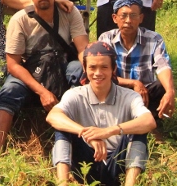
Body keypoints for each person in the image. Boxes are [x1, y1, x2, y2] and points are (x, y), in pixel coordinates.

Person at [0, 0, 89, 153]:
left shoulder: (70, 13)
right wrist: (42, 91)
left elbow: (83, 48)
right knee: (9, 90)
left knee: (79, 70)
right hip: (31, 71)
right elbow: (13, 64)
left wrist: (91, 69)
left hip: (62, 65)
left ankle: (79, 136)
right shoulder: (19, 20)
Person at [46, 41, 156, 186]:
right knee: (62, 129)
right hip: (85, 163)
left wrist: (109, 131)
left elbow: (149, 121)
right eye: (92, 67)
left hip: (118, 163)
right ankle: (63, 183)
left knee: (138, 131)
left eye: (104, 67)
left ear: (113, 69)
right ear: (84, 68)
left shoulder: (130, 96)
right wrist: (86, 134)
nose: (98, 73)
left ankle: (130, 183)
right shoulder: (75, 94)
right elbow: (53, 116)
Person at [98, 0, 175, 120]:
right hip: (116, 90)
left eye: (133, 16)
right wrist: (133, 83)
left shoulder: (154, 39)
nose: (128, 21)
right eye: (123, 16)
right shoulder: (106, 38)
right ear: (115, 18)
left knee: (162, 86)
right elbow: (102, 73)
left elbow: (163, 65)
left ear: (141, 18)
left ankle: (152, 122)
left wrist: (170, 91)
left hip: (144, 93)